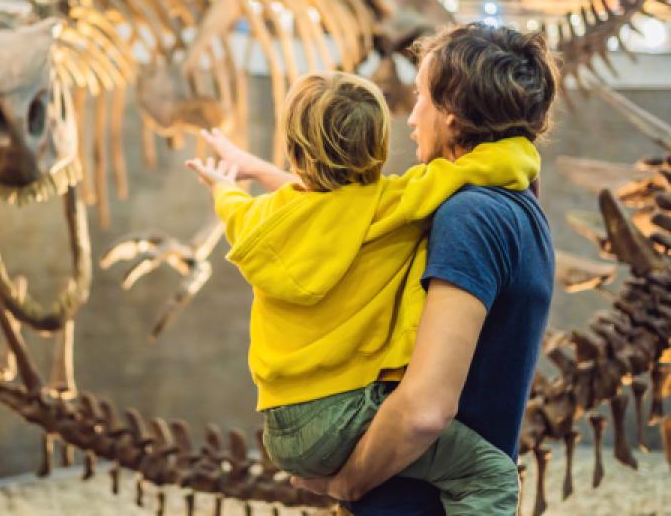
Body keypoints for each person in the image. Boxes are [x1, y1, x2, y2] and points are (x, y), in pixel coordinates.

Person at [186, 68, 540, 514]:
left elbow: (299, 211)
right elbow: (492, 164)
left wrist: (228, 184)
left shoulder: (258, 223)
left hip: (285, 430)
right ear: (380, 147)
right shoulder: (394, 203)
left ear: (294, 148)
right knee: (490, 476)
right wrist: (525, 147)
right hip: (351, 416)